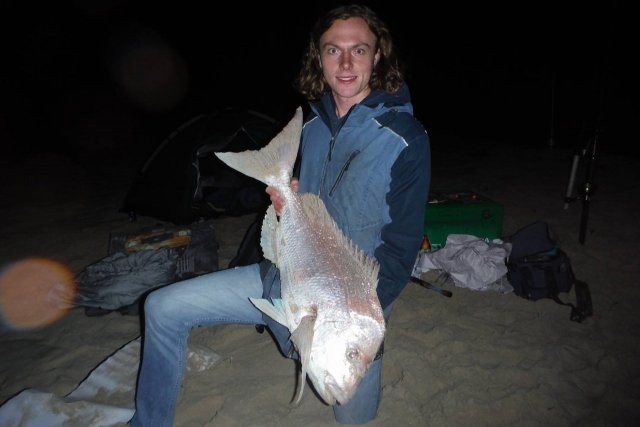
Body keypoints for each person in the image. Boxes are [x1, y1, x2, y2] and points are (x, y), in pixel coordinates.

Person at [130, 4, 430, 426]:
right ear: (319, 58)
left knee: (351, 413)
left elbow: (400, 250)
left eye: (358, 50)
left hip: (353, 301)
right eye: (333, 50)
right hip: (283, 275)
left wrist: (354, 317)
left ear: (377, 55)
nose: (345, 63)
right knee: (161, 307)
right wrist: (288, 197)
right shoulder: (310, 126)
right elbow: (310, 204)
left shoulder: (406, 139)